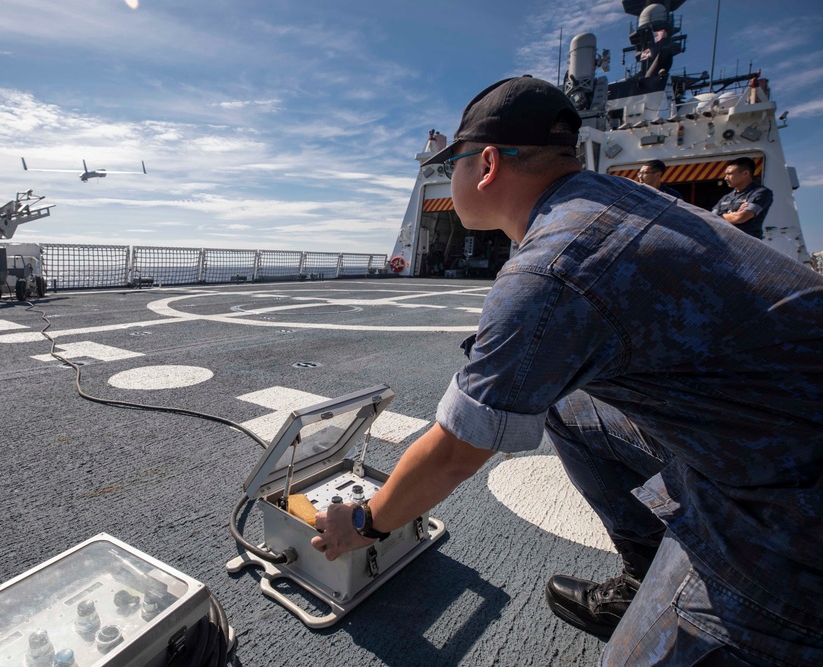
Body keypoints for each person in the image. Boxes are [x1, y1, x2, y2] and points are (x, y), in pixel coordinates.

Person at [310, 76, 823, 666]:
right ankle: (642, 574)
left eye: (450, 161)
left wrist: (364, 524)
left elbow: (456, 452)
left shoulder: (552, 266)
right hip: (767, 436)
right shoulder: (618, 202)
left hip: (789, 511)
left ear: (485, 165)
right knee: (570, 407)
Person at [711, 157, 773, 239]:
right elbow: (711, 219)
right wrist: (733, 215)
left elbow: (740, 217)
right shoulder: (726, 198)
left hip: (748, 244)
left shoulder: (761, 192)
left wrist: (721, 216)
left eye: (729, 174)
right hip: (725, 243)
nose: (726, 178)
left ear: (745, 173)